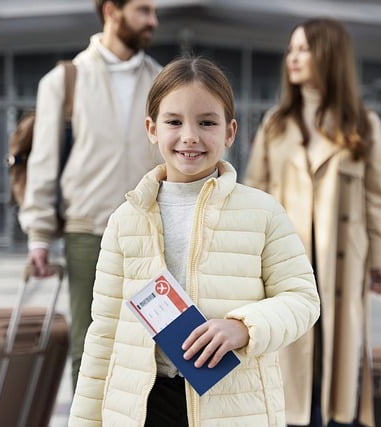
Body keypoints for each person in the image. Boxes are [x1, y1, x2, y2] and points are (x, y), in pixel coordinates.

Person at [67, 57, 320, 427]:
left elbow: (303, 299)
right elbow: (103, 335)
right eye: (174, 122)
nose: (190, 136)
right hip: (144, 406)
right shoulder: (126, 220)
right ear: (151, 129)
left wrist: (244, 326)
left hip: (232, 405)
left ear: (230, 132)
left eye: (207, 122)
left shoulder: (263, 213)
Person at [244, 18, 381, 427]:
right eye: (291, 49)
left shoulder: (364, 126)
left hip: (341, 268)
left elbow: (376, 199)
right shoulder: (275, 125)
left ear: (328, 55)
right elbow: (252, 195)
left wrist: (379, 261)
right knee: (289, 367)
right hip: (285, 265)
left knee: (335, 366)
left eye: (303, 49)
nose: (292, 58)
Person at [18, 0, 162, 391]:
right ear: (112, 11)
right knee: (90, 347)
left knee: (155, 349)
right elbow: (44, 163)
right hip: (88, 232)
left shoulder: (162, 80)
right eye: (144, 10)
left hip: (151, 233)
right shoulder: (65, 80)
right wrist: (39, 235)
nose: (154, 20)